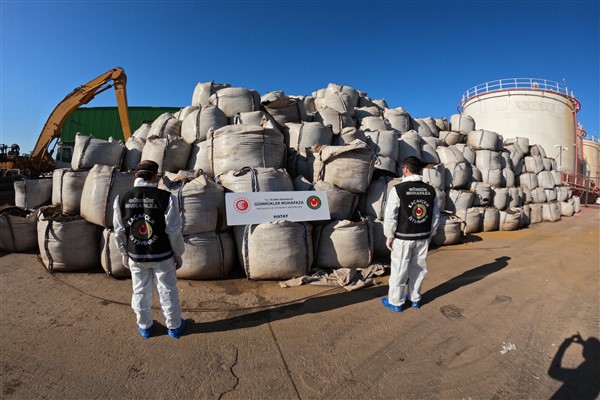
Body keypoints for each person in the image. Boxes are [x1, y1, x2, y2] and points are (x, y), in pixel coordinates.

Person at [113, 160, 186, 339]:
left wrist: (124, 253)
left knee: (140, 290)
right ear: (154, 176)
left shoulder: (121, 197)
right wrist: (178, 253)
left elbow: (119, 230)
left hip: (136, 256)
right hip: (162, 256)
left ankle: (145, 327)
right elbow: (173, 230)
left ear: (136, 175)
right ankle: (174, 327)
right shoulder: (167, 197)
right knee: (167, 290)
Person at [381, 156, 440, 313]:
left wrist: (389, 235)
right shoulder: (430, 190)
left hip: (403, 237)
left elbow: (391, 215)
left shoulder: (398, 189)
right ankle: (414, 299)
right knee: (418, 268)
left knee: (400, 269)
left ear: (405, 169)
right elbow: (435, 215)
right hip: (422, 237)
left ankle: (395, 301)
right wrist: (431, 234)